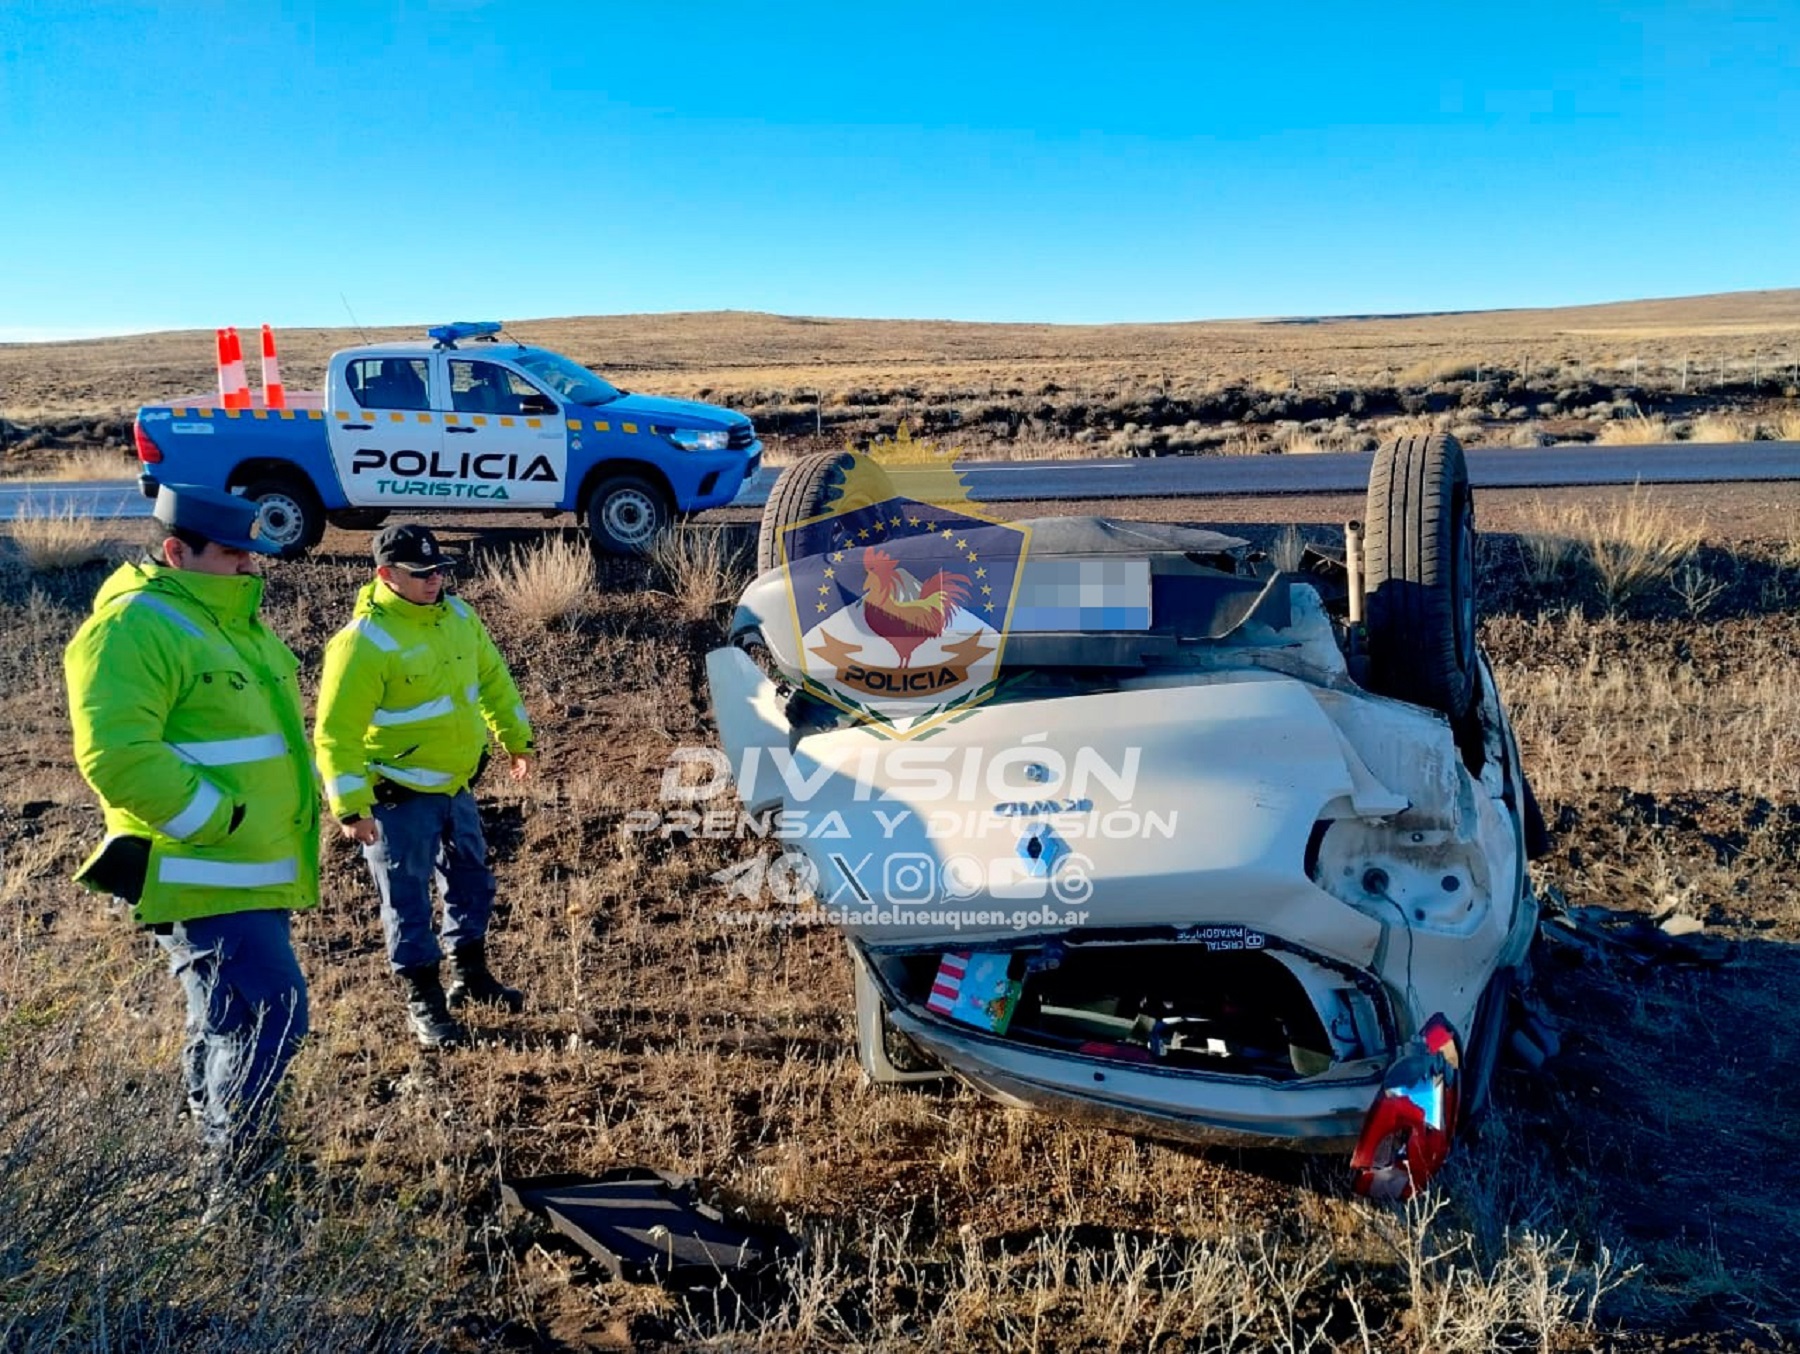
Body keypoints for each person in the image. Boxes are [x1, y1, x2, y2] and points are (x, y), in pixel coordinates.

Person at [64, 484, 318, 1187]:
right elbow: (117, 754)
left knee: (226, 1017)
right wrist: (214, 822)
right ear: (177, 550)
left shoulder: (228, 617)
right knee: (272, 1012)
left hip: (252, 864)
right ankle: (236, 1182)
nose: (248, 564)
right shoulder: (134, 627)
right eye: (232, 551)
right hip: (203, 868)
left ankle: (223, 1157)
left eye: (251, 551)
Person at [313, 524, 534, 1048]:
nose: (435, 580)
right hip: (396, 796)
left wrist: (515, 738)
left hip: (456, 786)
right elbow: (334, 733)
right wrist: (350, 807)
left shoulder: (458, 616)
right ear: (386, 575)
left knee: (472, 880)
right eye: (422, 574)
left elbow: (493, 680)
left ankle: (469, 976)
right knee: (406, 899)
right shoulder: (362, 643)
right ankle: (424, 1001)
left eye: (439, 570)